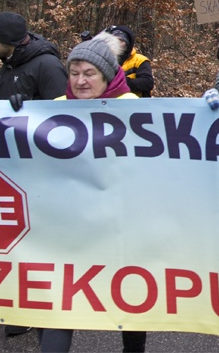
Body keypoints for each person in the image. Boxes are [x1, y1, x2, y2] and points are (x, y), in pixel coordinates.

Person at [40, 32, 144, 352]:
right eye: (74, 73)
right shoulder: (53, 109)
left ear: (108, 75)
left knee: (132, 301)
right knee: (59, 306)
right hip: (69, 228)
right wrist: (14, 113)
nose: (80, 81)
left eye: (89, 73)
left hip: (121, 226)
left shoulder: (135, 109)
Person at [0, 12, 67, 345]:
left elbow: (65, 121)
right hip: (12, 171)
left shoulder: (46, 66)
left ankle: (40, 316)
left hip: (41, 176)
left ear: (7, 40)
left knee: (38, 247)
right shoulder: (12, 62)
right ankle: (16, 314)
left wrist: (29, 108)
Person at [0, 11, 67, 107]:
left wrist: (27, 106)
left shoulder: (48, 66)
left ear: (6, 40)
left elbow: (63, 112)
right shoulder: (10, 63)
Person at [106, 25, 154, 97]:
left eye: (120, 40)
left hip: (137, 105)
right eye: (114, 40)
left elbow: (147, 83)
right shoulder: (105, 61)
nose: (116, 43)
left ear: (128, 44)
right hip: (108, 105)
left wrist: (120, 81)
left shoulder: (140, 60)